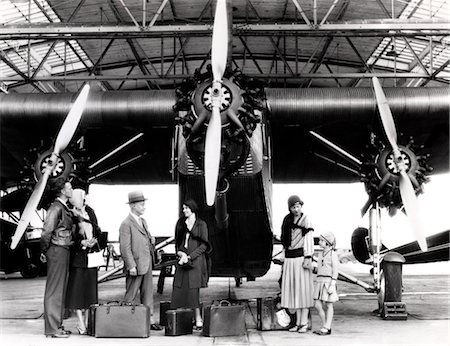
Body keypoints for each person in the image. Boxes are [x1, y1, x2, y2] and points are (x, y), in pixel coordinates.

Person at [119, 190, 162, 331]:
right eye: (141, 205)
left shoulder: (143, 221)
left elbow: (144, 239)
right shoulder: (126, 224)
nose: (144, 207)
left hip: (146, 262)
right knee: (131, 294)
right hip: (136, 265)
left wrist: (151, 240)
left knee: (148, 293)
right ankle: (124, 320)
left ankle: (149, 320)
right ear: (133, 206)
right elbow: (125, 247)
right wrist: (131, 265)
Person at [65, 188, 104, 335]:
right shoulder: (70, 214)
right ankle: (80, 322)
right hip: (78, 258)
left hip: (91, 257)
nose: (84, 198)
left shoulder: (90, 212)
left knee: (90, 291)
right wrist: (82, 243)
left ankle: (87, 322)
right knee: (77, 292)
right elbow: (69, 238)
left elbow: (98, 230)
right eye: (82, 196)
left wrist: (95, 241)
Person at [40, 177, 74, 338]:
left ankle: (57, 325)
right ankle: (52, 328)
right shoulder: (56, 208)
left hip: (62, 249)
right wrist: (44, 250)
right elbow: (47, 231)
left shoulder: (63, 207)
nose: (71, 190)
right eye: (69, 187)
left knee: (59, 289)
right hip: (57, 249)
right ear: (62, 190)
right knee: (55, 289)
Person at [171, 199, 210, 329]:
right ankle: (181, 318)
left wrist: (190, 257)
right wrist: (180, 254)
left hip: (196, 261)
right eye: (183, 208)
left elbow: (204, 245)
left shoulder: (201, 224)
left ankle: (198, 317)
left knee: (193, 291)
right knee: (179, 288)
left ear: (193, 209)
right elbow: (177, 243)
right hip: (182, 260)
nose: (184, 211)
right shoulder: (181, 223)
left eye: (187, 208)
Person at [280, 195, 314, 333]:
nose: (296, 209)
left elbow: (309, 238)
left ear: (301, 206)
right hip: (289, 259)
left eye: (298, 206)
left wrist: (308, 256)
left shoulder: (306, 220)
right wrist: (283, 256)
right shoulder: (287, 220)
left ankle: (304, 323)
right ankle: (297, 323)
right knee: (294, 293)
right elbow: (284, 240)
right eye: (293, 207)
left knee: (303, 292)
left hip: (301, 258)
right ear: (290, 208)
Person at [313, 232, 339, 336]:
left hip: (328, 282)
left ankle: (327, 327)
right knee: (317, 305)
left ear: (327, 243)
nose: (319, 242)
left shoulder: (333, 254)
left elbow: (336, 270)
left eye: (322, 240)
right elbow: (319, 268)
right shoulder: (320, 254)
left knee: (329, 304)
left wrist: (333, 283)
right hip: (320, 281)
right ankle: (325, 326)